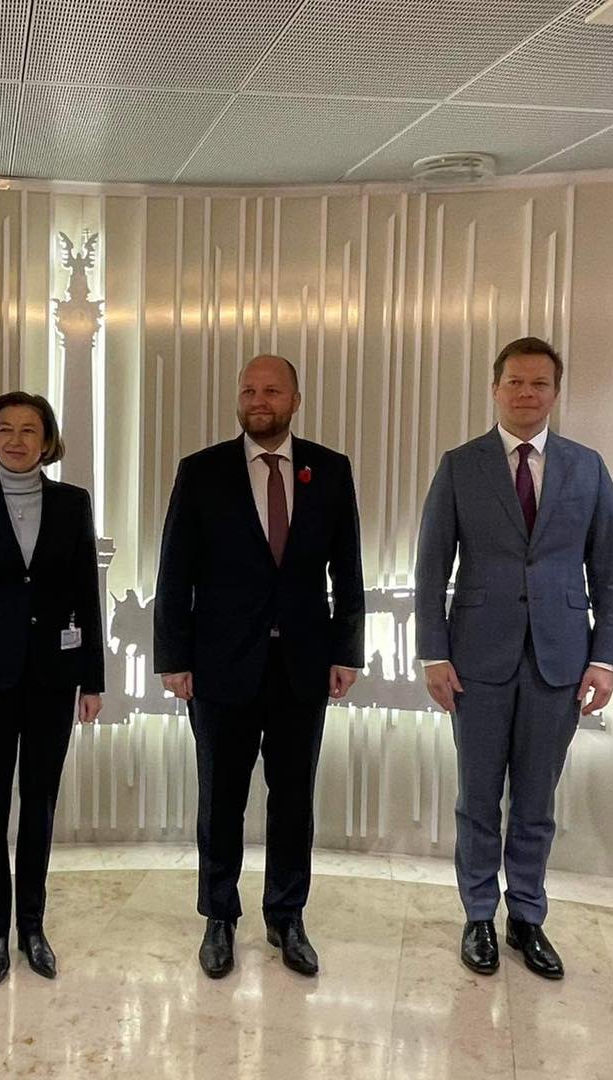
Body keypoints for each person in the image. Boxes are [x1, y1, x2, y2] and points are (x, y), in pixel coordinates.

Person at [415, 337, 613, 981]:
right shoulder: (460, 466)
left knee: (536, 800)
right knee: (478, 798)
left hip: (560, 661)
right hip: (476, 660)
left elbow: (608, 573)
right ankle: (479, 914)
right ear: (495, 388)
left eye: (539, 383)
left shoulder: (588, 468)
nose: (526, 393)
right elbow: (431, 570)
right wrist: (433, 653)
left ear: (555, 393)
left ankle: (527, 916)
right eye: (515, 382)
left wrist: (605, 658)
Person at [153, 354, 365, 979]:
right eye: (248, 390)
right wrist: (174, 658)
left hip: (303, 665)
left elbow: (347, 569)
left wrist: (347, 650)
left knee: (294, 799)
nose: (258, 400)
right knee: (221, 799)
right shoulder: (201, 471)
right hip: (220, 668)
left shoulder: (329, 470)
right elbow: (175, 571)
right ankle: (219, 917)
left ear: (295, 400)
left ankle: (286, 916)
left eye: (272, 390)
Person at [0, 391, 105, 984]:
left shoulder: (73, 504)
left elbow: (87, 592)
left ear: (46, 440)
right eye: (4, 429)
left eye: (29, 429)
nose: (16, 440)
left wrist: (93, 680)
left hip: (54, 680)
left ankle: (32, 926)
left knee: (40, 804)